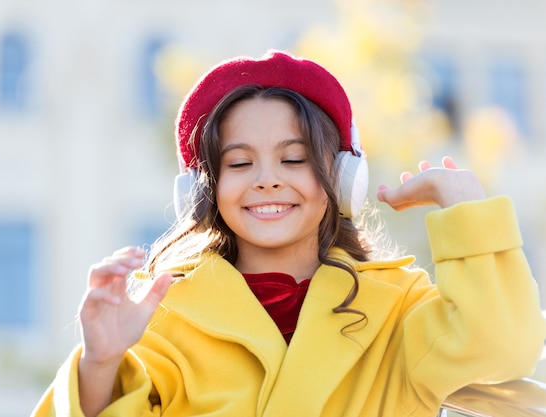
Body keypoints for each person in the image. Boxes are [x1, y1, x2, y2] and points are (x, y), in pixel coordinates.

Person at [31, 50, 545, 417]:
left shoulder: (396, 310)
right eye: (239, 162)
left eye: (294, 158)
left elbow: (503, 350)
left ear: (343, 178)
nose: (267, 178)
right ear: (205, 190)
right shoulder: (165, 314)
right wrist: (100, 363)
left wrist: (466, 209)